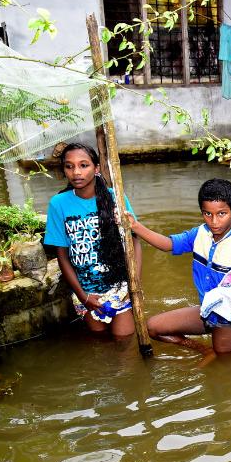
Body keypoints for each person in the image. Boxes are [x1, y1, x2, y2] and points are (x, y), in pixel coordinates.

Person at [126, 178, 231, 357]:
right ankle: (204, 350)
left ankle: (216, 352)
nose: (214, 221)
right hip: (208, 309)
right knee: (153, 328)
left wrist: (229, 295)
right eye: (207, 214)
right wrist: (135, 226)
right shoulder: (200, 234)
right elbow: (168, 244)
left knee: (224, 361)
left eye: (221, 214)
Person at [44, 143, 141, 337]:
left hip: (120, 287)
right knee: (99, 343)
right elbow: (62, 256)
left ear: (96, 169)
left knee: (124, 341)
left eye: (83, 165)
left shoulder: (116, 197)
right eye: (69, 166)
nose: (76, 172)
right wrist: (83, 296)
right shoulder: (58, 204)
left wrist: (135, 284)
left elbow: (135, 242)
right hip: (87, 291)